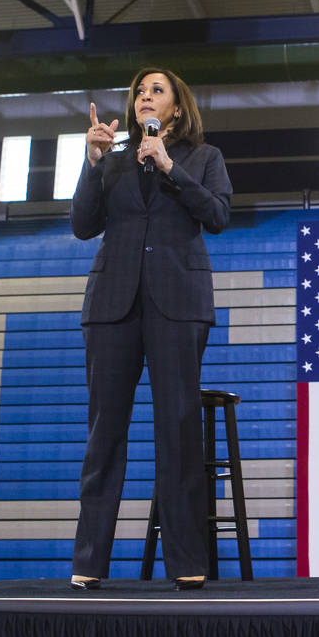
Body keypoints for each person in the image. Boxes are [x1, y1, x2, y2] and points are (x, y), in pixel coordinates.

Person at [68, 66, 232, 592]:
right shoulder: (111, 163)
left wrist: (167, 165)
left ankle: (186, 561)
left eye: (155, 91)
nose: (144, 98)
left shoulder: (203, 158)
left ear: (176, 108)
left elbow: (218, 215)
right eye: (139, 92)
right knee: (104, 436)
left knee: (178, 431)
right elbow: (82, 225)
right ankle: (89, 563)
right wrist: (92, 164)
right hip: (113, 305)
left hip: (176, 304)